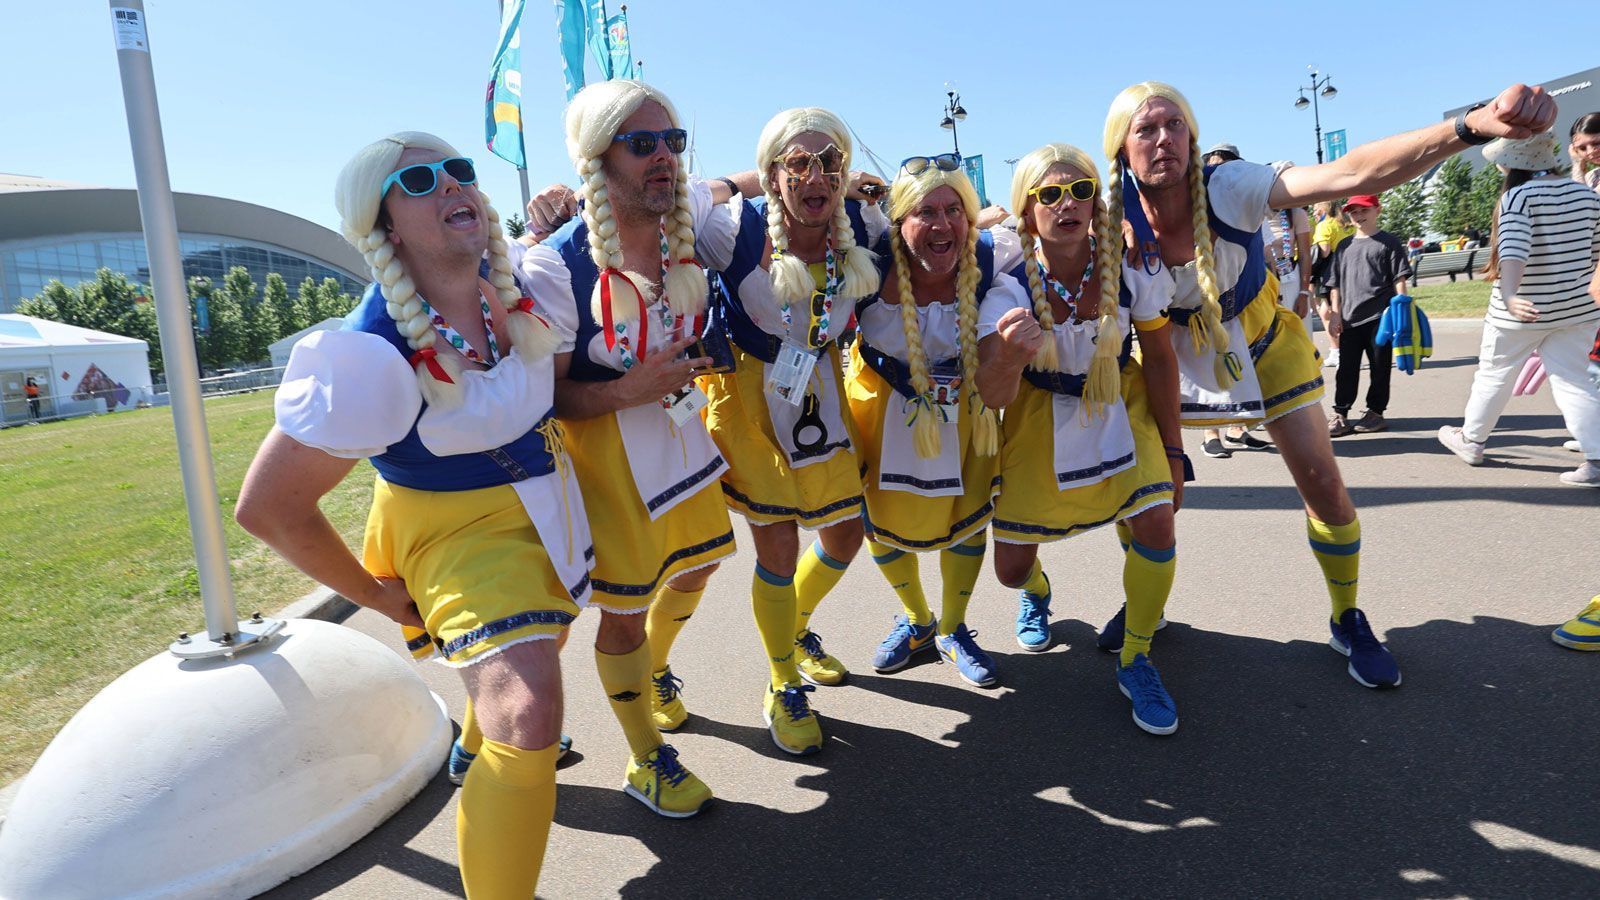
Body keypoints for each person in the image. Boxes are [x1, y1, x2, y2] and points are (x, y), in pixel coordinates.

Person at [1098, 78, 1557, 688]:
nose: (1164, 141)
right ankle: (1145, 600)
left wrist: (1468, 127)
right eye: (1146, 130)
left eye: (1175, 125)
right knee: (1146, 500)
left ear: (1192, 135)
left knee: (1324, 484)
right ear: (1120, 149)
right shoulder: (1108, 214)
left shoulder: (1228, 186)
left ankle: (1347, 615)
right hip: (1164, 360)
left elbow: (1349, 174)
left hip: (1261, 343)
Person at [236, 132, 578, 897]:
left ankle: (473, 741)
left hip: (553, 508)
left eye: (460, 171)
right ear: (385, 224)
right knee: (529, 716)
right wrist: (376, 594)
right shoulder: (370, 352)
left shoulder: (522, 280)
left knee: (537, 667)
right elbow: (269, 507)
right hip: (455, 534)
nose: (452, 184)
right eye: (419, 180)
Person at [520, 79, 734, 815]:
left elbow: (724, 185)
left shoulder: (685, 215)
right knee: (618, 612)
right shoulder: (553, 267)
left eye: (672, 142)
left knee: (699, 568)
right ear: (596, 158)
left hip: (681, 441)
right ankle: (646, 756)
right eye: (642, 144)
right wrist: (623, 391)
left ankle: (653, 673)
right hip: (606, 462)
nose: (664, 158)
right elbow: (545, 396)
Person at [975, 143, 1186, 734]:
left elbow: (1162, 357)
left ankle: (1136, 655)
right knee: (1011, 569)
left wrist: (1173, 452)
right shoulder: (1010, 282)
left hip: (1121, 399)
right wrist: (1008, 358)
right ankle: (1038, 594)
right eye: (1049, 194)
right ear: (1027, 209)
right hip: (1037, 413)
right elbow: (992, 393)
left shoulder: (1129, 262)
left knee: (1156, 518)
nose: (1066, 203)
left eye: (1081, 191)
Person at [694, 108, 884, 754]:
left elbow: (944, 230)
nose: (816, 175)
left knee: (844, 532)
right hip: (749, 395)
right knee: (776, 545)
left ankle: (795, 628)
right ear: (773, 173)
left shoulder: (861, 224)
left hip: (819, 388)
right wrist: (740, 181)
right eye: (797, 162)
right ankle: (781, 682)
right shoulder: (732, 229)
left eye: (829, 161)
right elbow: (675, 210)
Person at [850, 157, 1018, 688]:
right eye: (925, 212)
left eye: (954, 210)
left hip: (965, 412)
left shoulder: (996, 259)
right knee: (882, 521)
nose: (942, 224)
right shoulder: (866, 263)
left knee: (966, 519)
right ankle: (917, 619)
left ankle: (952, 627)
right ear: (898, 221)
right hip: (880, 407)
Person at [1437, 132, 1600, 486]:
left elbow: (1514, 248)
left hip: (1522, 309)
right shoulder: (1587, 195)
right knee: (1574, 380)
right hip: (1577, 308)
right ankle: (1596, 458)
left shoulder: (1518, 196)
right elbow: (1596, 252)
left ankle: (1472, 440)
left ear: (1512, 162)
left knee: (1495, 372)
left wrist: (1510, 295)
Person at [1325, 194, 1411, 436]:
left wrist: (1401, 310)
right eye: (1353, 212)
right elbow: (1335, 285)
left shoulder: (1388, 242)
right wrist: (1335, 314)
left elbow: (1400, 279)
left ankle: (1375, 412)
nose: (1359, 216)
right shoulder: (1344, 246)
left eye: (1364, 210)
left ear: (1377, 210)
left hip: (1381, 319)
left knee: (1379, 367)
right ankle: (1340, 413)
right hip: (1350, 319)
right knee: (1347, 369)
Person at [1312, 199, 1355, 368]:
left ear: (1324, 209)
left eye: (1316, 209)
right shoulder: (1346, 224)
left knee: (1330, 311)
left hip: (1331, 271)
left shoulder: (1324, 226)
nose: (1314, 213)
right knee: (1330, 311)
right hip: (1350, 267)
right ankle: (1336, 351)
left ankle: (1340, 352)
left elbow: (1324, 252)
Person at [1571, 112, 1600, 191]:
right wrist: (1578, 164)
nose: (1590, 151)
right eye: (1582, 148)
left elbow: (1582, 200)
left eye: (1597, 143)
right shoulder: (1591, 177)